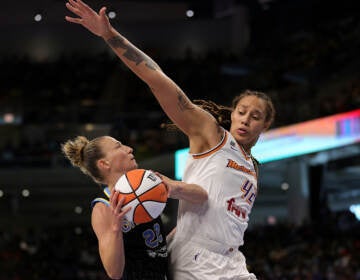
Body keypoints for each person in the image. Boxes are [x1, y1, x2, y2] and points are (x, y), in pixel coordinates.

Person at [65, 0, 276, 279]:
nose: (247, 119)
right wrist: (110, 36)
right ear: (233, 113)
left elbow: (205, 202)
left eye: (256, 115)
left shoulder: (253, 167)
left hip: (232, 259)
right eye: (242, 111)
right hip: (200, 259)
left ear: (266, 124)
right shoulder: (210, 134)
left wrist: (175, 212)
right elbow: (157, 80)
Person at [61, 135, 208, 280]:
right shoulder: (103, 207)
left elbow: (203, 196)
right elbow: (114, 272)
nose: (129, 149)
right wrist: (115, 229)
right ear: (104, 163)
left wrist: (174, 187)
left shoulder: (148, 183)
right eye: (119, 146)